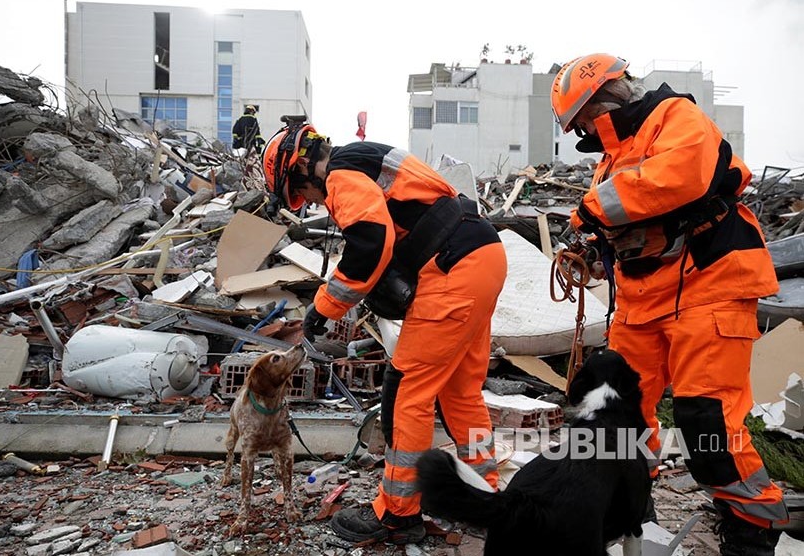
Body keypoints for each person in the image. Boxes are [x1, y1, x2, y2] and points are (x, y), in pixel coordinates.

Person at [551, 53, 788, 555]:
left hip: (710, 281)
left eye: (583, 124)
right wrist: (593, 249)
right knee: (616, 415)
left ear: (601, 101)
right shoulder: (612, 160)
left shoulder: (675, 117)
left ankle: (751, 531)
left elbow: (678, 179)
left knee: (707, 421)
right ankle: (632, 506)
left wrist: (590, 213)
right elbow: (618, 222)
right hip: (641, 299)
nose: (584, 136)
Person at [261, 119, 507, 544]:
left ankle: (398, 514)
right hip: (481, 257)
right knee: (460, 392)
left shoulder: (339, 174)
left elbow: (372, 241)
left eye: (303, 195)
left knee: (408, 392)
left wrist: (323, 307)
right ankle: (485, 498)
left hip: (450, 271)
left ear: (302, 169)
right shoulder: (365, 157)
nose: (313, 203)